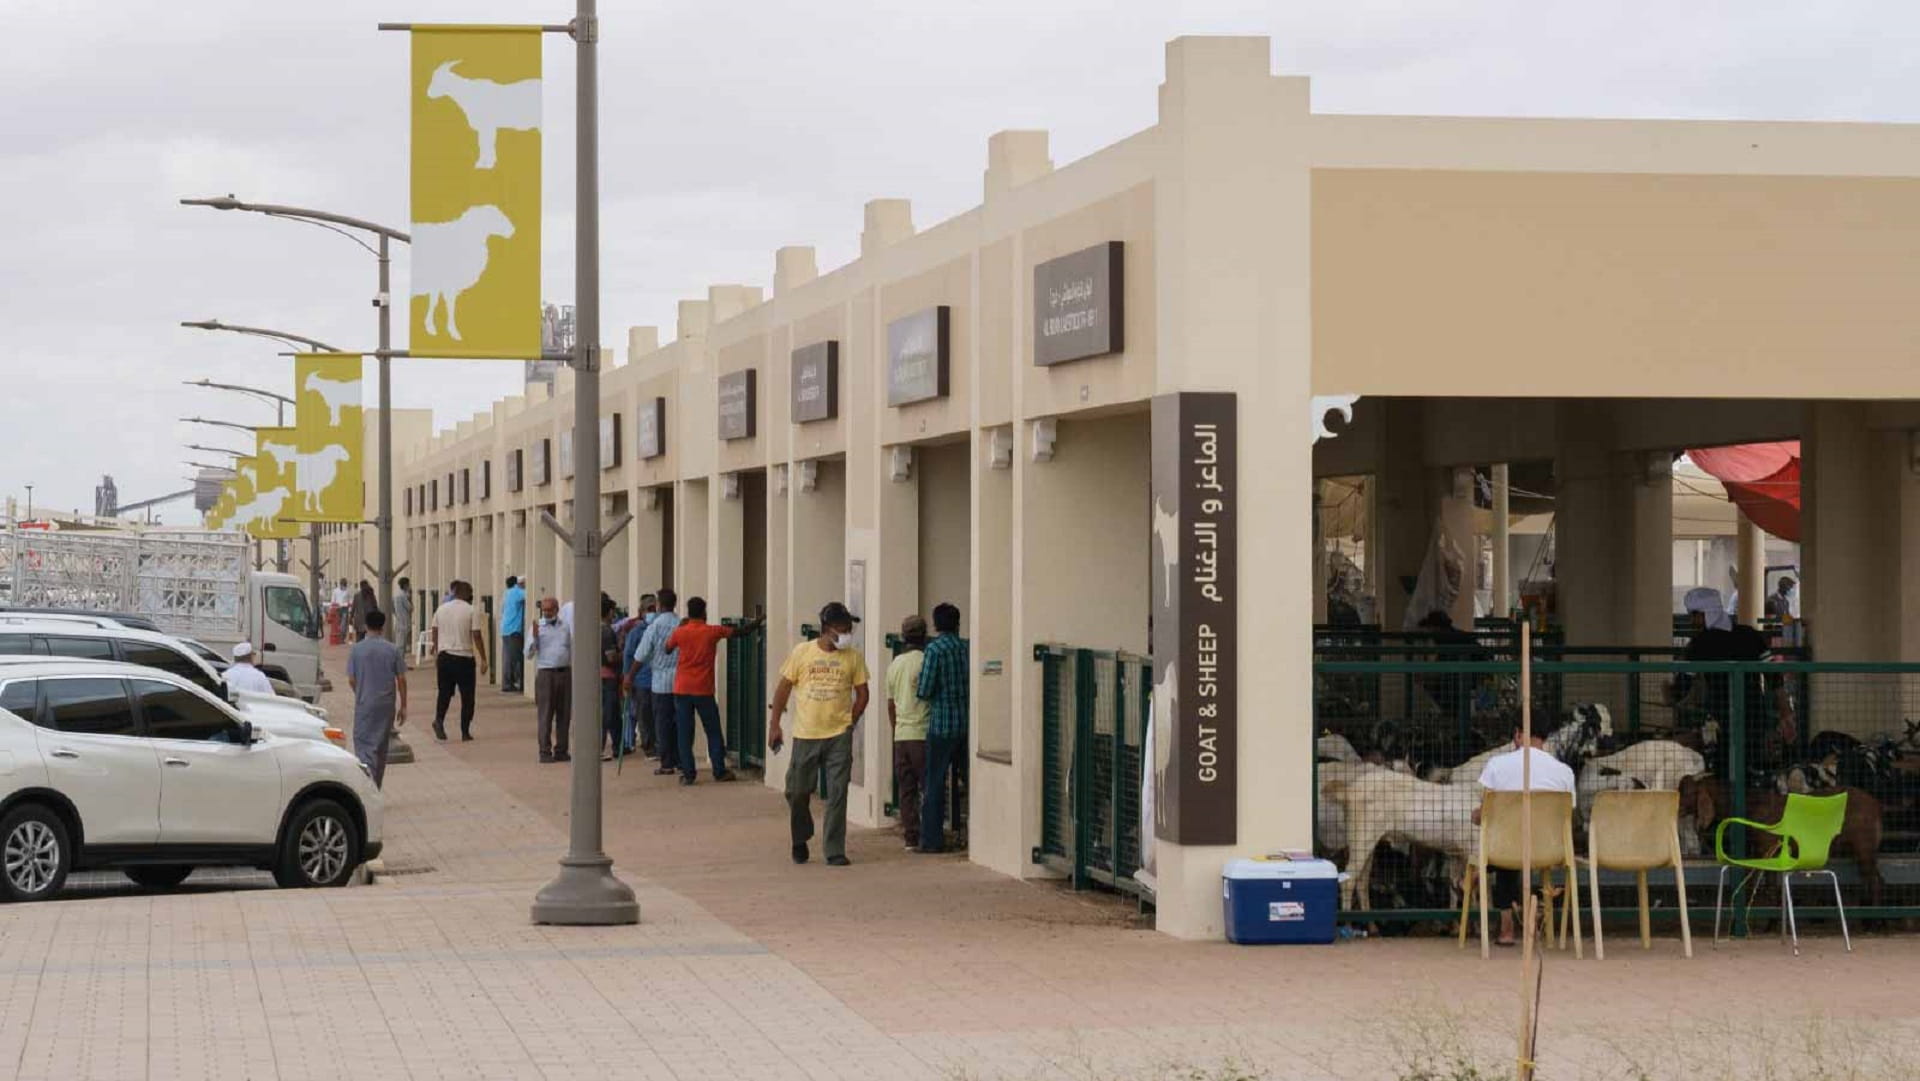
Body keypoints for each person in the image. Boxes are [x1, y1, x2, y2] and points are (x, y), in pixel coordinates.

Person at [769, 602, 870, 866]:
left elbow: (863, 694)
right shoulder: (802, 653)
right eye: (842, 629)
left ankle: (834, 849)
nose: (847, 633)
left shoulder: (853, 657)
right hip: (806, 734)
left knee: (838, 792)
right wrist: (775, 724)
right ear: (826, 630)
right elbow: (783, 689)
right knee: (797, 791)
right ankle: (800, 837)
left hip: (839, 734)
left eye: (849, 628)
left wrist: (851, 720)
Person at [1474, 721, 1577, 947]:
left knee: (1504, 848)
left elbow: (1485, 814)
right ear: (1545, 738)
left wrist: (1476, 815)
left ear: (1517, 735)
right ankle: (1538, 919)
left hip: (1506, 850)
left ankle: (1507, 926)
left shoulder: (1496, 765)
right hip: (1548, 850)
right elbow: (1568, 815)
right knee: (1516, 844)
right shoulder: (1564, 772)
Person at [664, 597, 756, 784]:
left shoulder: (680, 632)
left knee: (684, 732)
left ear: (689, 613)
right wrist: (758, 621)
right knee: (712, 730)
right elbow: (740, 632)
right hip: (703, 690)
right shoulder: (712, 631)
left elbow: (667, 649)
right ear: (704, 613)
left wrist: (681, 629)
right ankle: (719, 771)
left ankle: (688, 774)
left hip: (682, 689)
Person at [916, 602, 969, 853]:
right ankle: (970, 834)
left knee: (935, 782)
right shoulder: (966, 648)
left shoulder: (934, 650)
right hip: (966, 723)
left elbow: (924, 690)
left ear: (936, 625)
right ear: (957, 622)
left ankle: (932, 840)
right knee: (969, 781)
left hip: (941, 725)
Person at [346, 609, 407, 786]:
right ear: (383, 626)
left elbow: (351, 679)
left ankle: (367, 783)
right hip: (386, 703)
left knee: (364, 744)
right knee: (380, 746)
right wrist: (403, 705)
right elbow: (401, 679)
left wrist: (360, 692)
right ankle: (376, 784)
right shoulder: (392, 649)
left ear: (366, 626)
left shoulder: (357, 650)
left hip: (365, 701)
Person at [885, 614, 931, 849]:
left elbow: (890, 705)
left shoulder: (895, 665)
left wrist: (896, 730)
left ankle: (910, 837)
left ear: (903, 637)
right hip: (922, 733)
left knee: (906, 790)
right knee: (928, 786)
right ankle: (929, 835)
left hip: (902, 735)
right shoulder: (926, 661)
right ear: (925, 635)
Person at [429, 580, 487, 741]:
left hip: (445, 657)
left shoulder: (441, 609)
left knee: (444, 693)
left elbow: (434, 628)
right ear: (467, 593)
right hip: (464, 658)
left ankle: (439, 720)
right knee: (468, 696)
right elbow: (476, 635)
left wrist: (436, 646)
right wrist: (483, 658)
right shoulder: (471, 610)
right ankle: (465, 731)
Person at [633, 588, 682, 776]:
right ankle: (679, 760)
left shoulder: (654, 626)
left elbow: (641, 653)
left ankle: (667, 762)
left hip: (660, 683)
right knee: (678, 723)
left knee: (662, 723)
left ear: (660, 605)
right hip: (679, 682)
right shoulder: (680, 623)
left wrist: (630, 676)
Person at [528, 596, 572, 762]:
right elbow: (528, 654)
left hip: (564, 672)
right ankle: (544, 751)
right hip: (546, 673)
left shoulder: (565, 626)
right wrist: (535, 638)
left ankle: (561, 749)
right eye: (544, 610)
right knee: (545, 714)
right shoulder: (537, 627)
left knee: (564, 713)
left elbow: (571, 647)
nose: (546, 613)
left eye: (549, 610)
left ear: (556, 609)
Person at [618, 594, 658, 756]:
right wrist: (627, 677)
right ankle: (649, 746)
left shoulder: (661, 628)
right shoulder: (635, 632)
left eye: (655, 609)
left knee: (659, 716)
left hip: (659, 681)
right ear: (641, 612)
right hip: (642, 681)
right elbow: (628, 655)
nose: (653, 612)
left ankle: (659, 745)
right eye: (649, 609)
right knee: (644, 715)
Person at [598, 594, 624, 761]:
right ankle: (601, 747)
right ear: (609, 612)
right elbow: (611, 658)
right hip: (608, 676)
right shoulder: (606, 631)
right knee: (608, 713)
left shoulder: (588, 628)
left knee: (612, 714)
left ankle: (618, 745)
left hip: (598, 675)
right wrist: (623, 651)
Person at [500, 575, 528, 694]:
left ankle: (507, 683)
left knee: (507, 658)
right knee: (515, 658)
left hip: (505, 629)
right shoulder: (517, 592)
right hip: (514, 630)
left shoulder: (506, 593)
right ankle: (512, 683)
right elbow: (531, 594)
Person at [392, 577, 415, 657]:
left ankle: (401, 663)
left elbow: (392, 609)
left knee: (400, 643)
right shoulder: (403, 596)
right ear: (405, 585)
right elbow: (410, 608)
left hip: (399, 622)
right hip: (404, 623)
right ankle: (399, 664)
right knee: (401, 645)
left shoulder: (396, 595)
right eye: (409, 584)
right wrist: (410, 598)